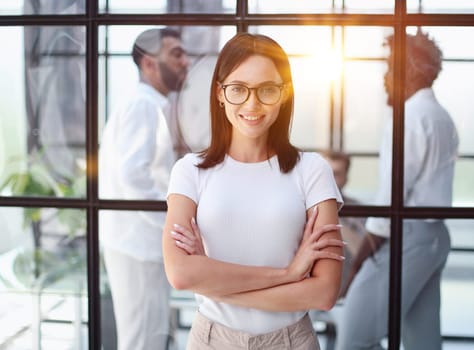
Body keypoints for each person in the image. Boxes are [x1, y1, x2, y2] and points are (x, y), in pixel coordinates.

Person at [162, 33, 345, 350]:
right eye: (238, 89)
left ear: (284, 94)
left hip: (291, 341)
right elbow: (180, 274)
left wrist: (212, 280)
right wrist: (289, 273)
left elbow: (323, 293)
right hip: (211, 341)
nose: (252, 103)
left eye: (267, 90)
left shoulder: (312, 171)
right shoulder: (189, 171)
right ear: (220, 93)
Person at [335, 31, 459, 350]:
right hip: (434, 239)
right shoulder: (441, 116)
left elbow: (392, 200)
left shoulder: (409, 117)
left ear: (412, 71)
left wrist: (362, 260)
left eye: (390, 68)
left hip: (408, 239)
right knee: (422, 339)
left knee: (354, 338)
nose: (385, 78)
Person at [99, 27, 189, 350]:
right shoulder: (143, 106)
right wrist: (172, 226)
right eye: (176, 54)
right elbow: (133, 177)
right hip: (137, 246)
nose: (186, 61)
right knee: (142, 340)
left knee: (148, 336)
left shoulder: (149, 105)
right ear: (149, 63)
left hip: (139, 244)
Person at [321, 151, 366, 292]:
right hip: (308, 296)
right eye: (325, 173)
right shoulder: (300, 207)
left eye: (336, 174)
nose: (329, 179)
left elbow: (362, 253)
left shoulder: (359, 209)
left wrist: (331, 214)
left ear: (346, 178)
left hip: (346, 293)